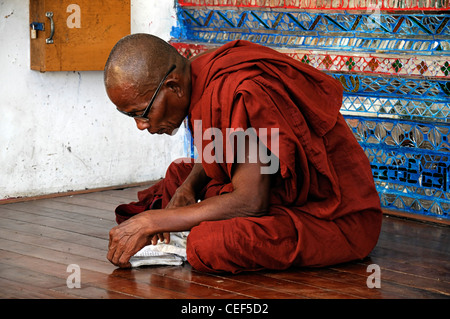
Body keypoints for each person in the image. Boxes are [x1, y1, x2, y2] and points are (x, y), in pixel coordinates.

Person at [104, 33, 382, 273]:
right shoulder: (200, 77)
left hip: (331, 217)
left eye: (142, 112)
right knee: (179, 177)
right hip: (267, 186)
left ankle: (180, 237)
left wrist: (151, 221)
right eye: (131, 116)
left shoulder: (240, 90)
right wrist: (188, 189)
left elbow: (251, 202)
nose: (141, 125)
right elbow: (225, 142)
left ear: (174, 86)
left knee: (209, 244)